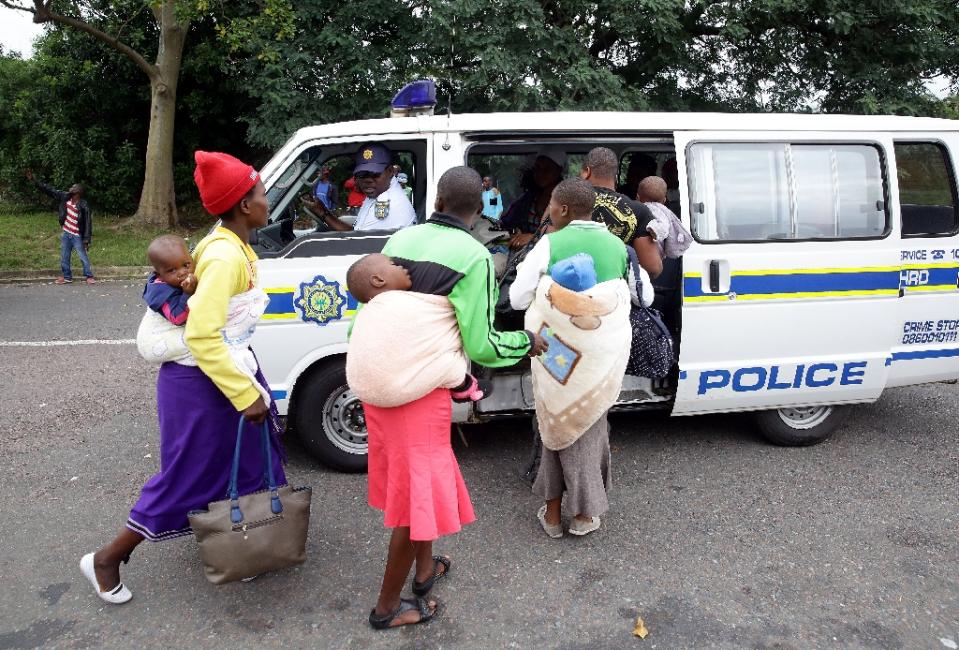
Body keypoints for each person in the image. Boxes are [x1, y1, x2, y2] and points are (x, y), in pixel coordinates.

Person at [79, 151, 285, 604]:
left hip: (223, 376)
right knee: (188, 478)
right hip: (203, 387)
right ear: (245, 205)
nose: (268, 201)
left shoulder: (232, 245)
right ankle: (106, 558)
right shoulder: (224, 256)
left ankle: (240, 547)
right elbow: (203, 334)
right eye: (262, 193)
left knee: (251, 461)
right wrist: (244, 395)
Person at [360, 166, 547, 629]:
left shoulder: (400, 240)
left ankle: (424, 572)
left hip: (380, 380)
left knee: (413, 488)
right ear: (479, 207)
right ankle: (386, 608)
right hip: (419, 391)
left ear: (438, 199)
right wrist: (526, 342)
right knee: (411, 498)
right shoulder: (475, 256)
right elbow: (481, 344)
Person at [509, 177, 642, 538]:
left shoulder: (549, 244)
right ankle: (584, 514)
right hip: (599, 360)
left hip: (555, 357)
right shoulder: (617, 246)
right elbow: (634, 295)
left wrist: (551, 299)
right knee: (591, 423)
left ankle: (553, 515)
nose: (548, 210)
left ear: (563, 209)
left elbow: (519, 298)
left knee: (553, 424)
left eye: (551, 204)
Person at [345, 252, 492, 404]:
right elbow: (446, 311)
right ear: (378, 280)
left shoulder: (365, 314)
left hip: (364, 390)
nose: (404, 267)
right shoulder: (399, 302)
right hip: (394, 389)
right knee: (445, 355)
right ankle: (465, 387)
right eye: (394, 265)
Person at [580, 147, 663, 279]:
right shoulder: (639, 210)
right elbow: (652, 268)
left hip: (567, 291)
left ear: (587, 171)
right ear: (615, 174)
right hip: (615, 292)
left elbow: (546, 246)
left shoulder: (567, 203)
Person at [319, 143, 416, 231]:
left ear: (390, 171)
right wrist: (322, 213)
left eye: (375, 174)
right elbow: (356, 232)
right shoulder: (379, 192)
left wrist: (323, 214)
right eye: (362, 174)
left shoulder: (387, 201)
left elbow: (356, 242)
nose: (367, 180)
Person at [25, 169, 94, 284]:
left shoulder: (83, 204)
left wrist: (86, 239)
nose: (71, 187)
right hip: (66, 233)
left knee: (82, 256)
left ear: (78, 192)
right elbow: (49, 190)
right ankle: (67, 277)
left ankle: (89, 276)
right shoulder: (64, 197)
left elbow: (87, 223)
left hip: (77, 235)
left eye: (74, 187)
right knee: (64, 256)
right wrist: (34, 180)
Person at [500, 148, 565, 250]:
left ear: (559, 171)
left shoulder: (567, 199)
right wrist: (515, 231)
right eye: (537, 168)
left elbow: (568, 235)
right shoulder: (528, 198)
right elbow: (507, 222)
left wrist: (534, 238)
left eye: (547, 169)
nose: (540, 173)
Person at [143, 234, 196, 326]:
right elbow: (177, 318)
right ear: (159, 275)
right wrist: (187, 294)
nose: (182, 273)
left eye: (186, 265)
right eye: (172, 270)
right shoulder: (161, 292)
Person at [637, 176, 692, 259]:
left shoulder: (656, 211)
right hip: (655, 253)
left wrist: (655, 230)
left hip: (650, 250)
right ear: (664, 200)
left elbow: (662, 226)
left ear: (637, 197)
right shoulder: (664, 212)